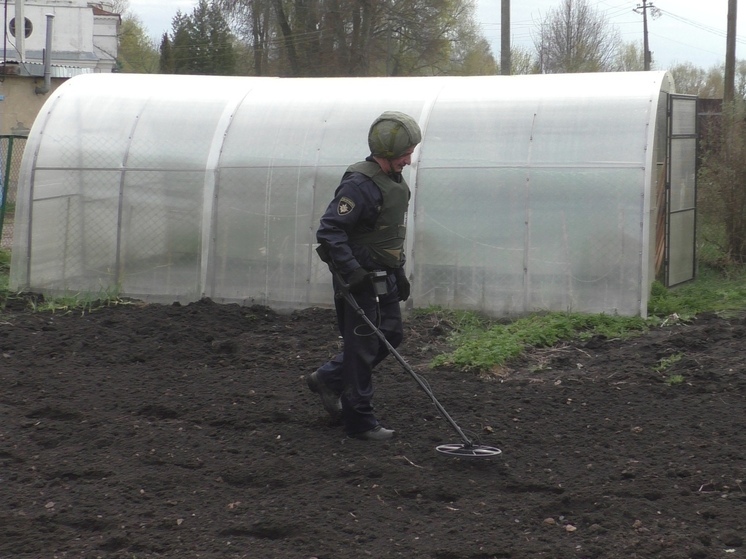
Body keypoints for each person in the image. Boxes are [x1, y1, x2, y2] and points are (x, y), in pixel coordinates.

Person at [308, 111, 422, 441]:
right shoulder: (359, 186)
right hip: (359, 278)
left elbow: (387, 233)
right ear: (388, 151)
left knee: (391, 334)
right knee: (361, 347)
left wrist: (399, 272)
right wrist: (353, 271)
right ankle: (359, 420)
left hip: (385, 274)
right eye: (405, 154)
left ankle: (329, 378)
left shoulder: (394, 183)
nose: (409, 160)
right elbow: (330, 231)